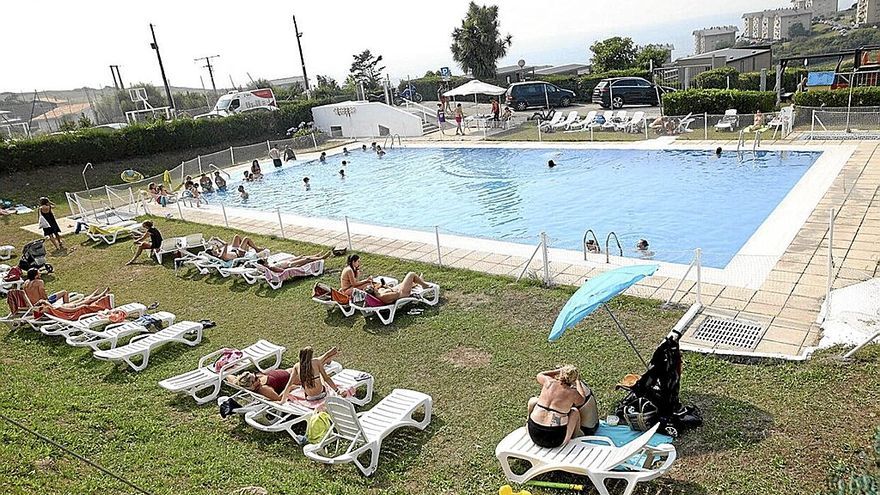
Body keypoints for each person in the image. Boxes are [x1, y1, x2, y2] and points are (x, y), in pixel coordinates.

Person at [230, 346, 340, 402]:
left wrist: (228, 375)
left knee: (308, 364)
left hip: (288, 372)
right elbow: (278, 398)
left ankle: (325, 359)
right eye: (255, 380)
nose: (257, 378)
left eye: (255, 376)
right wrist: (292, 387)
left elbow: (230, 377)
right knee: (310, 366)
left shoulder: (249, 380)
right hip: (294, 378)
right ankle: (325, 358)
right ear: (252, 385)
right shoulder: (263, 389)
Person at [526, 366, 594, 448]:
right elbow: (582, 400)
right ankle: (575, 437)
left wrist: (558, 371)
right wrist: (578, 382)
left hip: (533, 434)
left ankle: (527, 423)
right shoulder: (572, 393)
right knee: (574, 412)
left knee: (533, 401)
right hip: (555, 440)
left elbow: (539, 374)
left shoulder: (548, 382)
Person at [257, 251, 331, 272]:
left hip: (288, 261)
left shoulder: (269, 264)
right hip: (290, 265)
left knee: (302, 256)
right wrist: (292, 268)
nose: (265, 258)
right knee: (306, 260)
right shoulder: (270, 267)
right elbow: (282, 270)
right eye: (264, 259)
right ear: (263, 262)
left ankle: (316, 255)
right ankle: (322, 257)